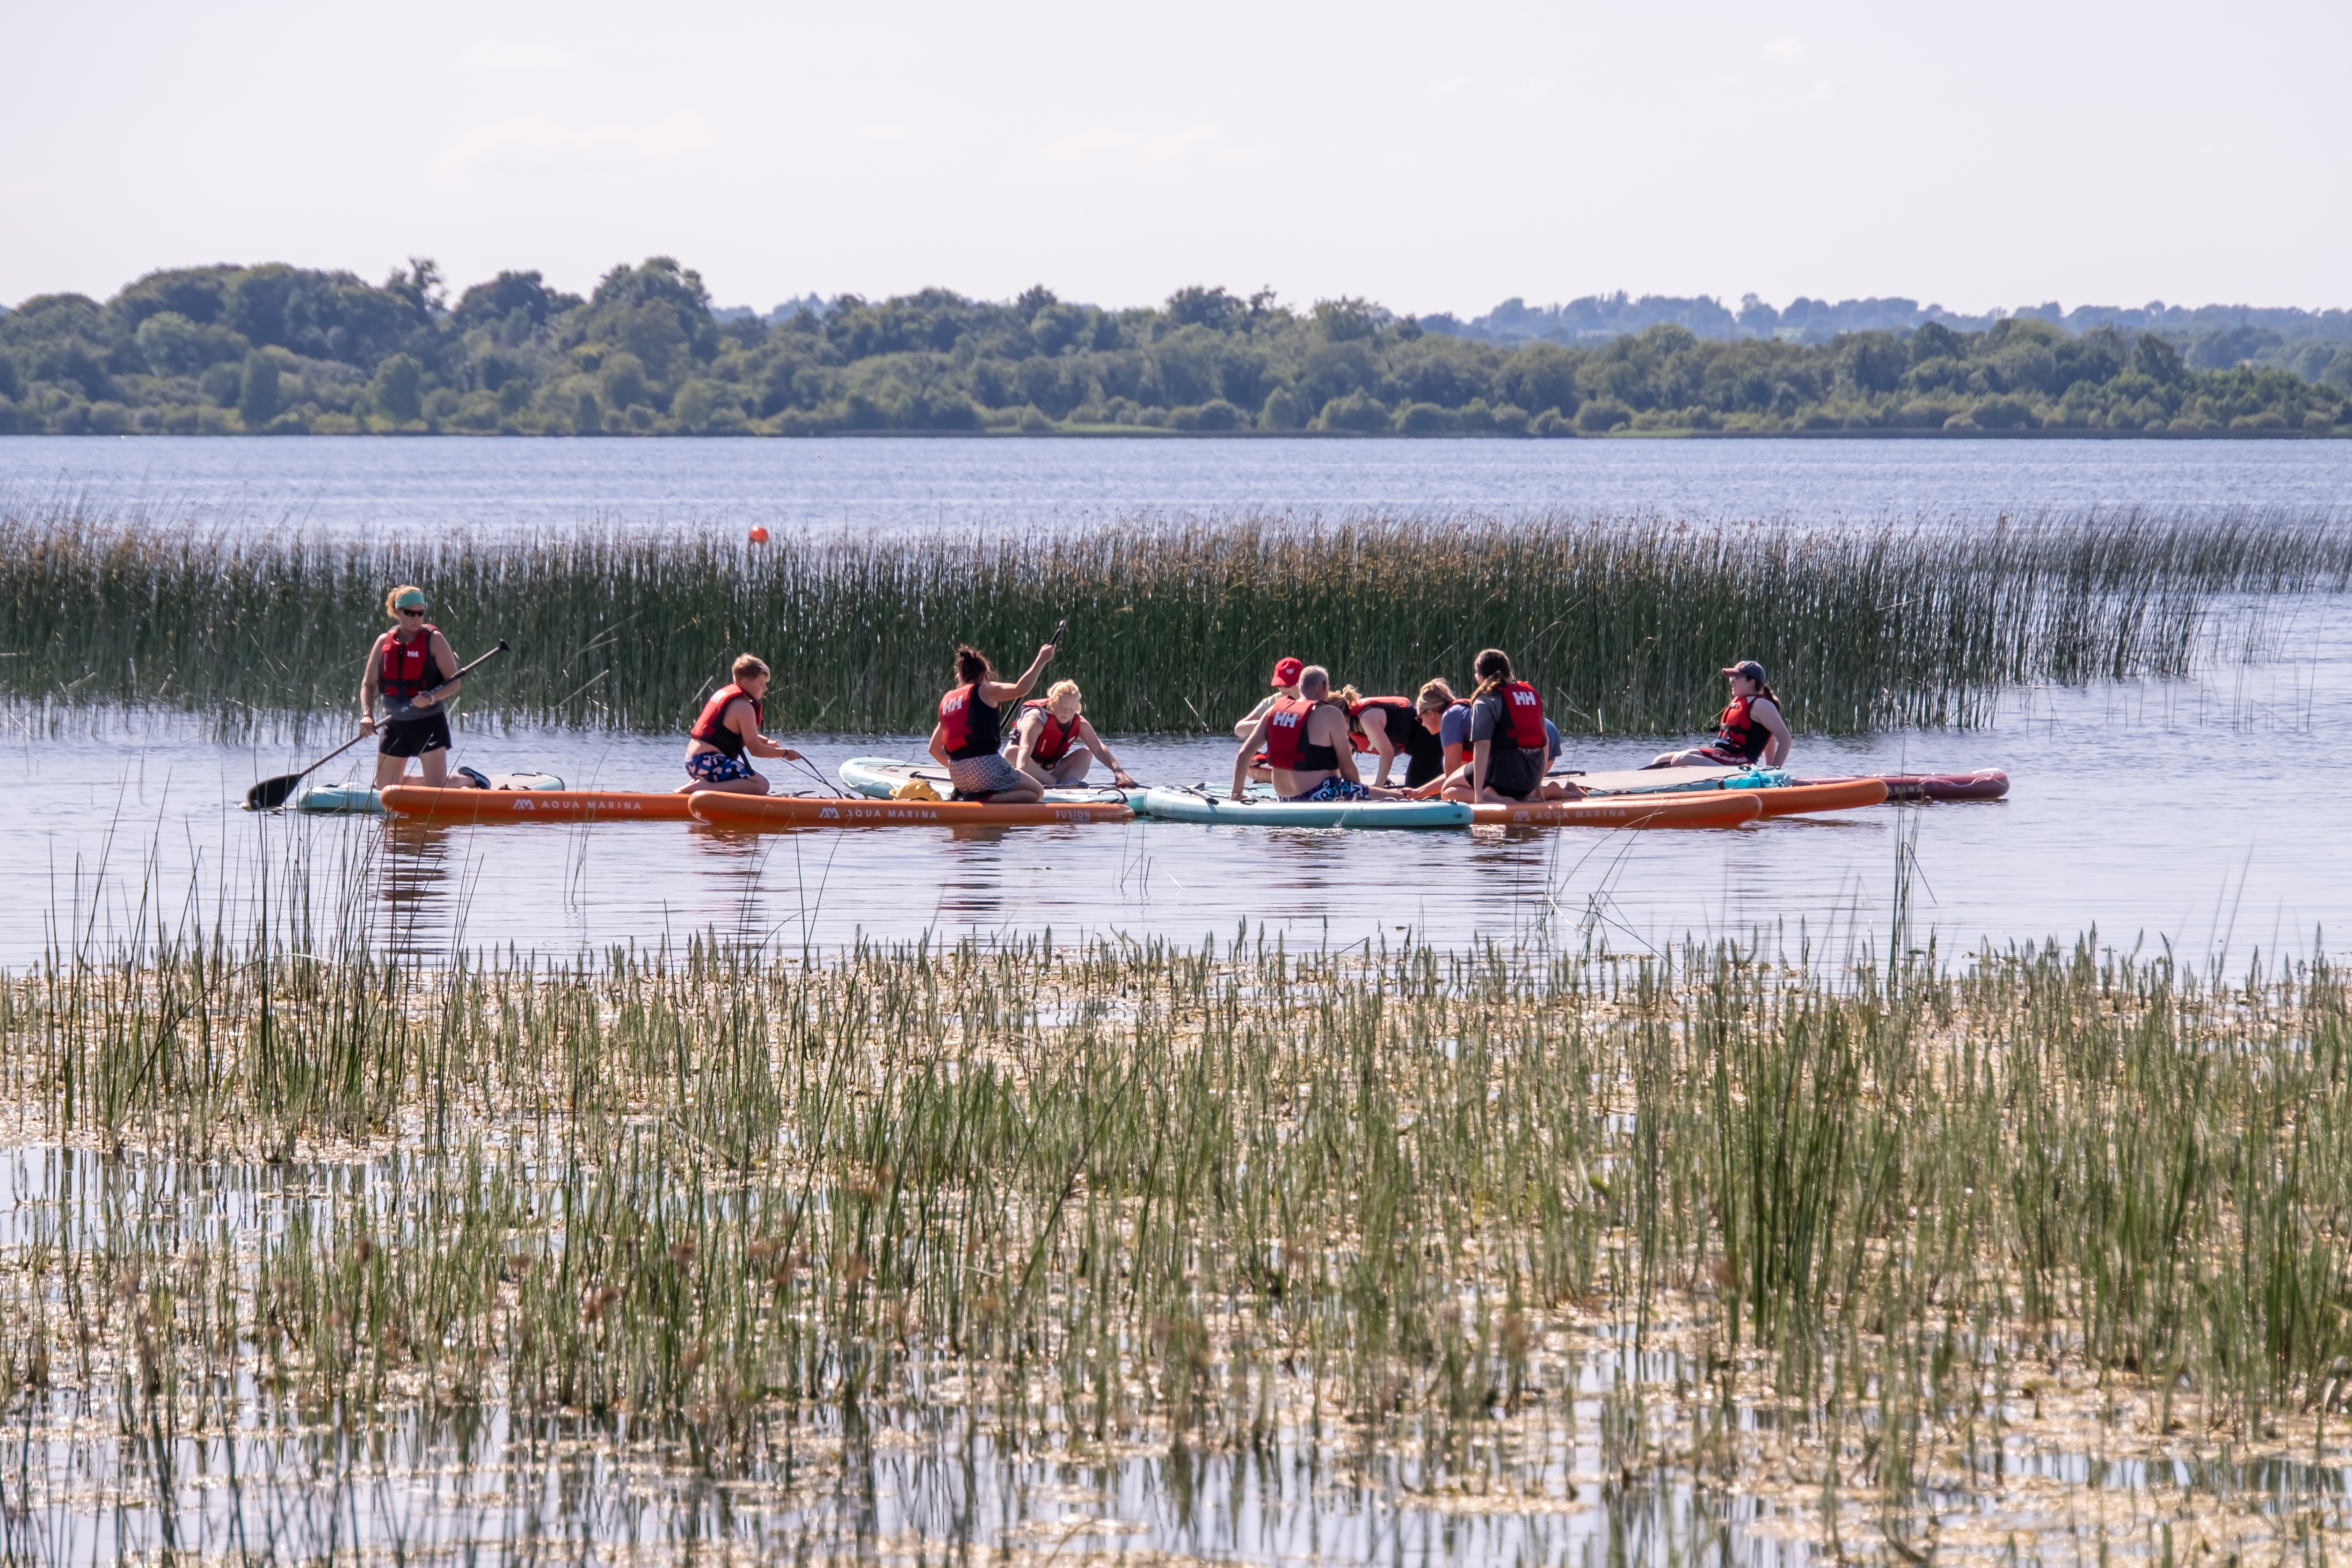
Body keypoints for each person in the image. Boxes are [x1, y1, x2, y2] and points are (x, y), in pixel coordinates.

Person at [1231, 664, 1401, 803]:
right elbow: (1347, 768)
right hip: (1320, 795)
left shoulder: (1273, 712)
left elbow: (1244, 754)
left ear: (1298, 687)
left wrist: (1237, 795)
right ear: (1325, 686)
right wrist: (1358, 795)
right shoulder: (1331, 713)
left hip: (1285, 798)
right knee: (1400, 797)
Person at [359, 585, 472, 788]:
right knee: (384, 787)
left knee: (436, 790)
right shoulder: (384, 642)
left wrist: (431, 698)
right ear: (396, 612)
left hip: (428, 724)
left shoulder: (434, 640)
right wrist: (367, 715)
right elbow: (368, 685)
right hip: (394, 724)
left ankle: (470, 779)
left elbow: (455, 683)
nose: (416, 618)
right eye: (410, 613)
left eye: (420, 613)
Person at [1441, 649, 1574, 804]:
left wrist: (1479, 796)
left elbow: (1483, 747)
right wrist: (1537, 787)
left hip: (1503, 778)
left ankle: (1491, 795)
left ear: (1481, 677)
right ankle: (1524, 796)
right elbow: (1546, 743)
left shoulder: (1485, 701)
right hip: (1530, 779)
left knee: (1448, 789)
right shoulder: (1531, 695)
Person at [930, 641, 1056, 803]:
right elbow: (1021, 689)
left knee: (1024, 787)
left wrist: (964, 768)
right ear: (984, 675)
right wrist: (1042, 659)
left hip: (958, 777)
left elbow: (934, 749)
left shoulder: (949, 701)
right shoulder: (986, 689)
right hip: (987, 768)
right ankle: (988, 799)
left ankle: (971, 797)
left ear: (960, 676)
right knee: (1037, 791)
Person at [679, 655, 801, 794]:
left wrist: (765, 741)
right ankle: (704, 787)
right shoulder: (743, 707)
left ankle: (700, 788)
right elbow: (755, 751)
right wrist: (785, 753)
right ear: (746, 683)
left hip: (694, 762)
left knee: (752, 782)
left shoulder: (730, 699)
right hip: (709, 762)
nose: (766, 688)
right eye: (762, 684)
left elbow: (729, 732)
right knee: (761, 785)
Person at [1648, 659, 1791, 769]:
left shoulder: (1761, 704)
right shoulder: (1741, 701)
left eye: (1737, 678)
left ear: (1751, 682)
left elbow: (1786, 739)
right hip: (1723, 753)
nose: (1731, 681)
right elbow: (1766, 736)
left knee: (1681, 759)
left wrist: (1773, 771)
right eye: (1731, 678)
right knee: (1660, 761)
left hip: (1741, 760)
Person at [1010, 680, 1138, 790]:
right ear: (1053, 703)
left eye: (1072, 709)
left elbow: (1099, 748)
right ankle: (1060, 786)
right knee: (1014, 752)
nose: (1067, 713)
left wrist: (1118, 771)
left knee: (1086, 753)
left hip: (1051, 771)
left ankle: (1070, 784)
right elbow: (1023, 762)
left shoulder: (1080, 723)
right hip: (1021, 770)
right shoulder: (1035, 720)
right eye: (1063, 707)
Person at [1347, 687, 1442, 789]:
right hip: (1419, 749)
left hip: (1430, 742)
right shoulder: (1346, 731)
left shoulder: (1366, 718)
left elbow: (1388, 754)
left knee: (1413, 791)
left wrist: (1377, 787)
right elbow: (1343, 766)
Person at [1232, 655, 1304, 783]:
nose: (1283, 690)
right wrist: (1269, 723)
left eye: (1288, 686)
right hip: (1277, 761)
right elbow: (1240, 730)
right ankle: (1283, 780)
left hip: (1304, 761)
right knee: (1246, 760)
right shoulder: (1273, 701)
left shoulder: (1313, 699)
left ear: (1301, 683)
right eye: (1280, 685)